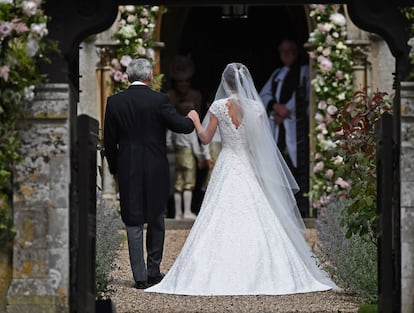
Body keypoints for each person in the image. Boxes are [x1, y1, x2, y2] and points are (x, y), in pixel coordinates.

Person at [145, 63, 338, 296]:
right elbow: (260, 144)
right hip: (246, 163)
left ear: (225, 83)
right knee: (256, 211)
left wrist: (195, 119)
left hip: (227, 162)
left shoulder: (218, 106)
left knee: (217, 213)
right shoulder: (256, 107)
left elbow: (205, 138)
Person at [103, 58, 194, 290]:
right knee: (155, 217)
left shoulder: (114, 102)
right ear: (149, 77)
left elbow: (109, 142)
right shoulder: (159, 99)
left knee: (133, 221)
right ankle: (154, 271)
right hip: (155, 166)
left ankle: (140, 276)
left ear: (127, 76)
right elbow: (180, 126)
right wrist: (192, 117)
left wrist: (115, 169)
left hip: (128, 166)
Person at [259, 39, 310, 216]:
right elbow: (264, 95)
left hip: (296, 127)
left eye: (290, 51)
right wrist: (274, 106)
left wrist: (287, 109)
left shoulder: (305, 72)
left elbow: (305, 93)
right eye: (283, 52)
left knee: (297, 166)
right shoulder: (277, 74)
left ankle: (301, 208)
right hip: (278, 127)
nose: (286, 55)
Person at [166, 102, 211, 220]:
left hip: (177, 155)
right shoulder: (189, 126)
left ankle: (177, 213)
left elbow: (168, 142)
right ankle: (186, 211)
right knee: (188, 184)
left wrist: (174, 147)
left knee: (178, 184)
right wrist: (200, 158)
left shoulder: (173, 125)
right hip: (188, 156)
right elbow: (195, 144)